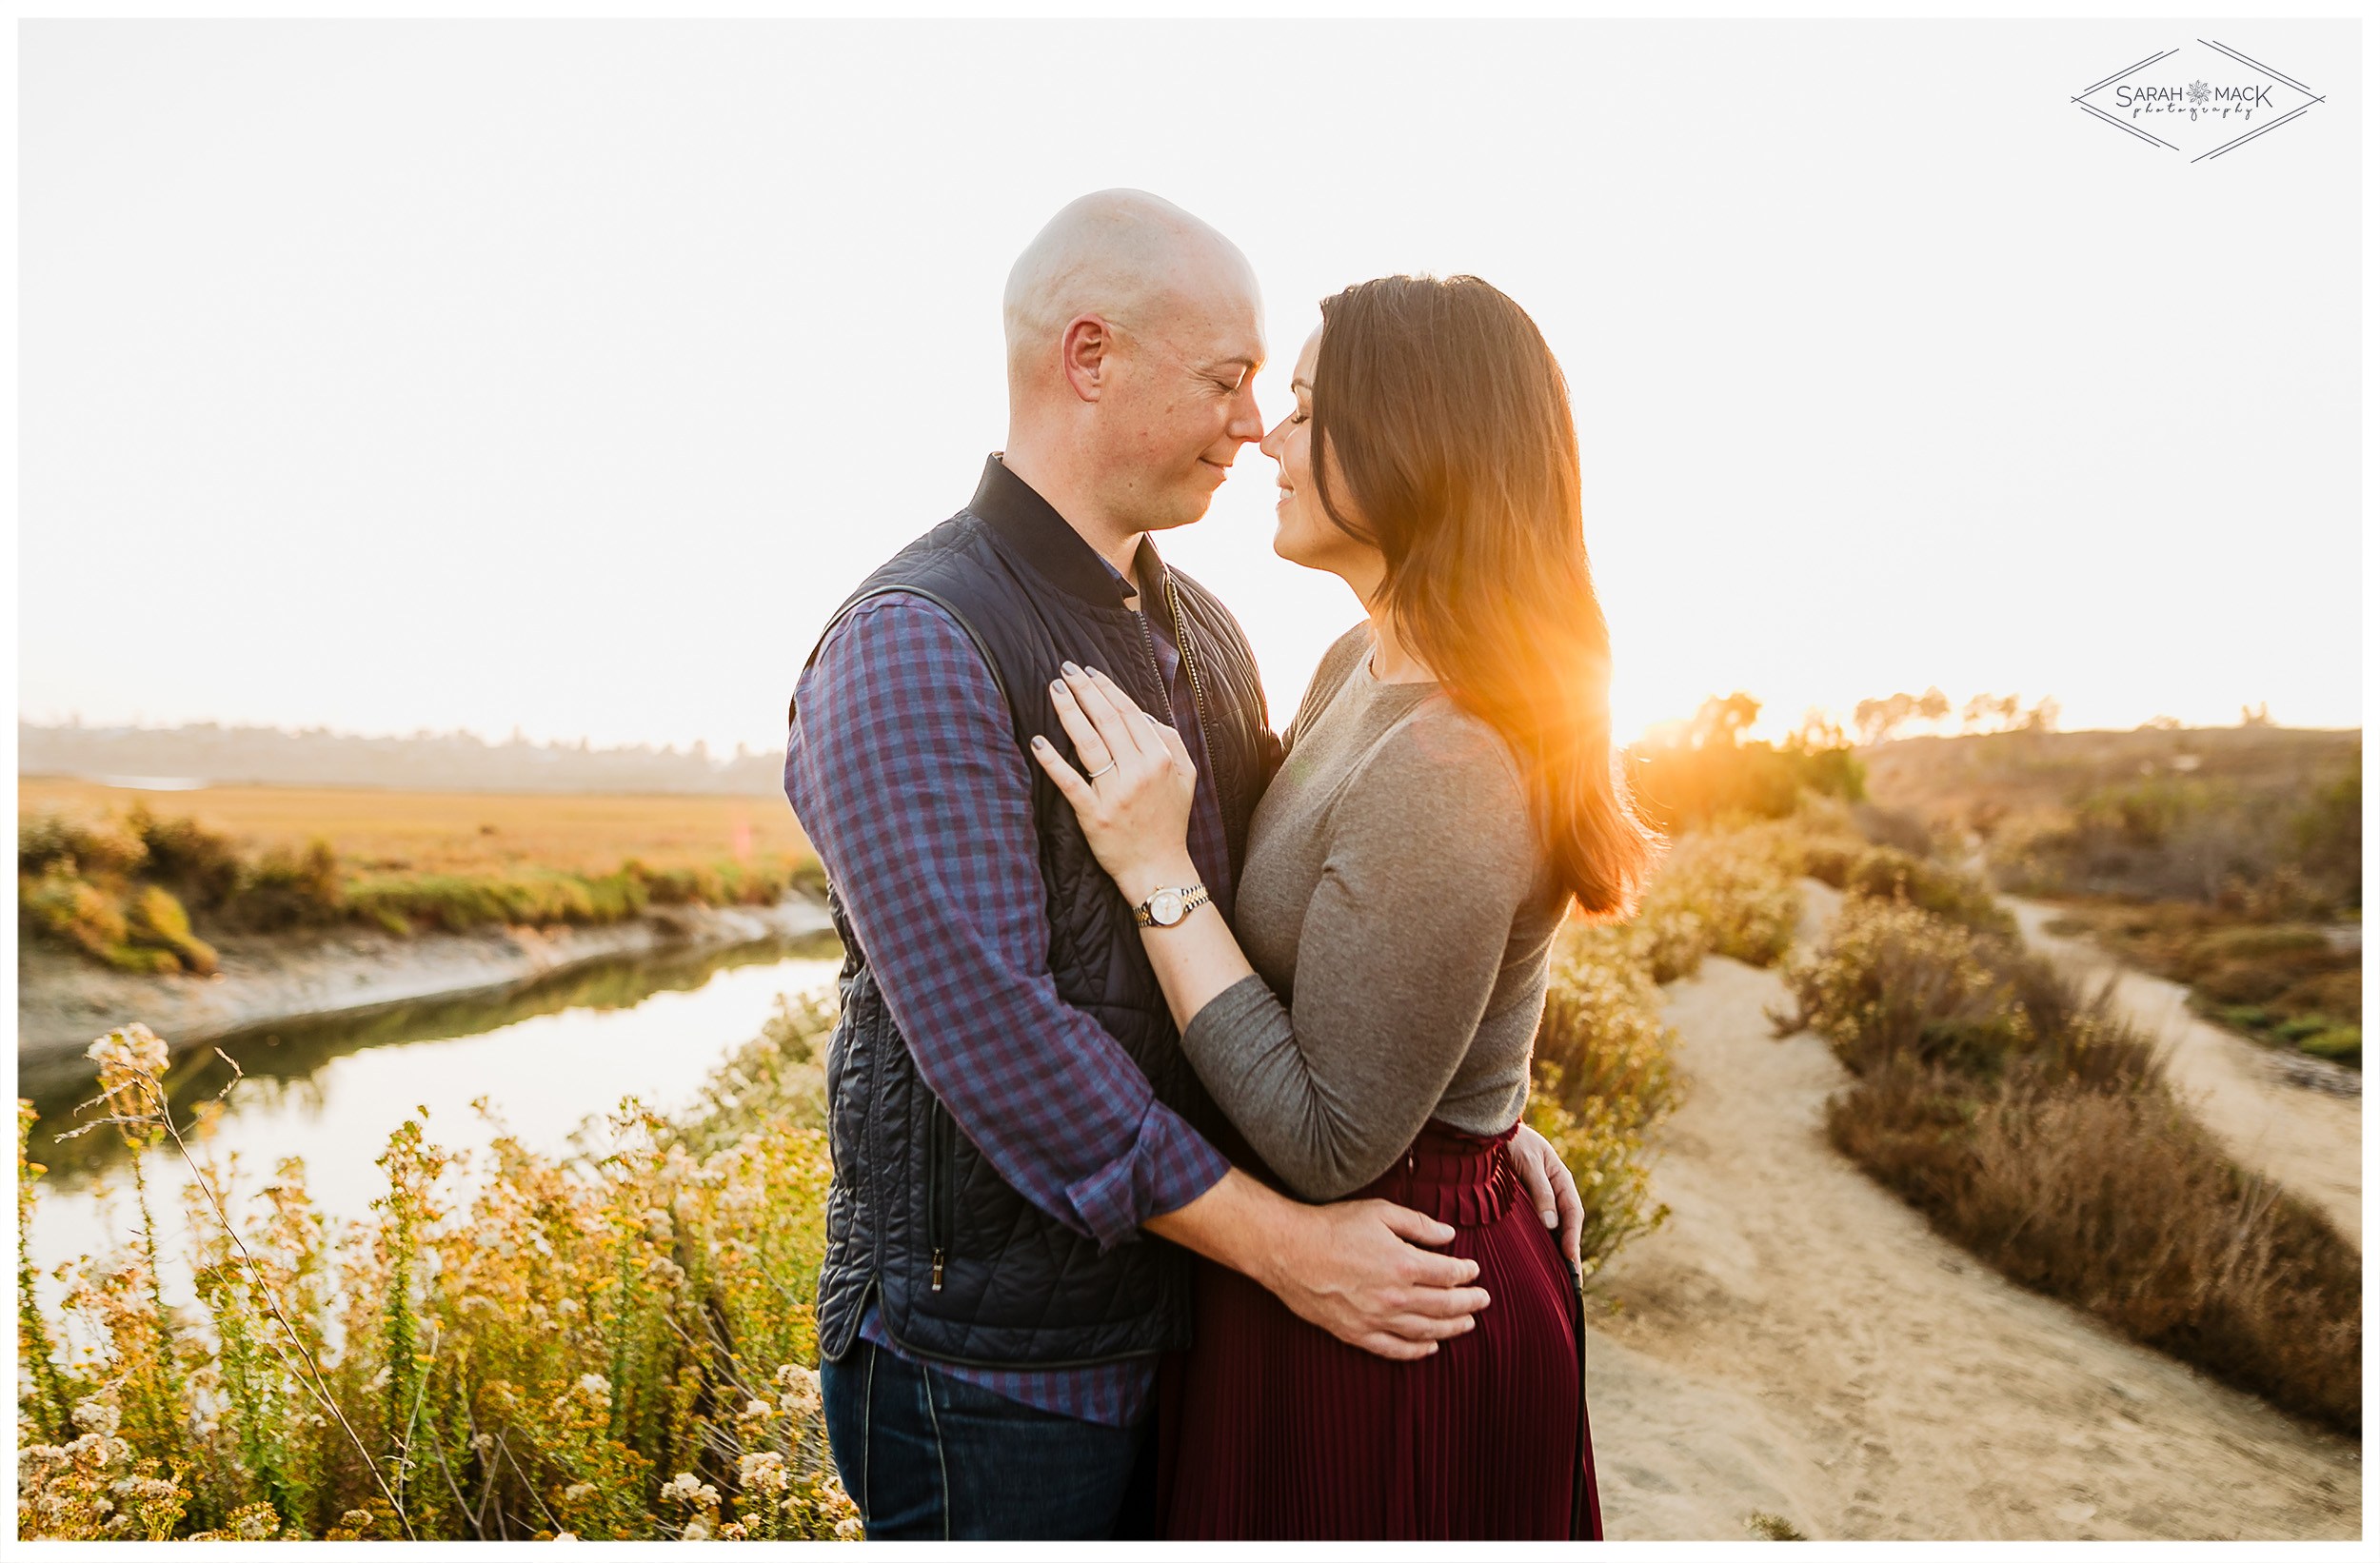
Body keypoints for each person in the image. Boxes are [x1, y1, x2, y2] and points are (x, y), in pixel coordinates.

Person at [783, 192, 1587, 1541]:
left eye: (1277, 390)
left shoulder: (1206, 630)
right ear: (1089, 357)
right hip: (1009, 1374)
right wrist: (1292, 1245)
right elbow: (1002, 1046)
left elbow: (1330, 933)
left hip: (1203, 1324)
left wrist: (1463, 1108)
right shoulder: (915, 643)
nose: (1253, 423)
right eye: (1227, 380)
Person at [1026, 272, 1664, 1538]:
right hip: (1346, 1265)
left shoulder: (1457, 757)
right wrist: (1478, 1106)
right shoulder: (1357, 667)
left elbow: (1328, 1136)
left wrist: (1156, 870)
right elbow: (1386, 980)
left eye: (1311, 408)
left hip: (1385, 1304)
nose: (1268, 434)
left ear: (1418, 441)